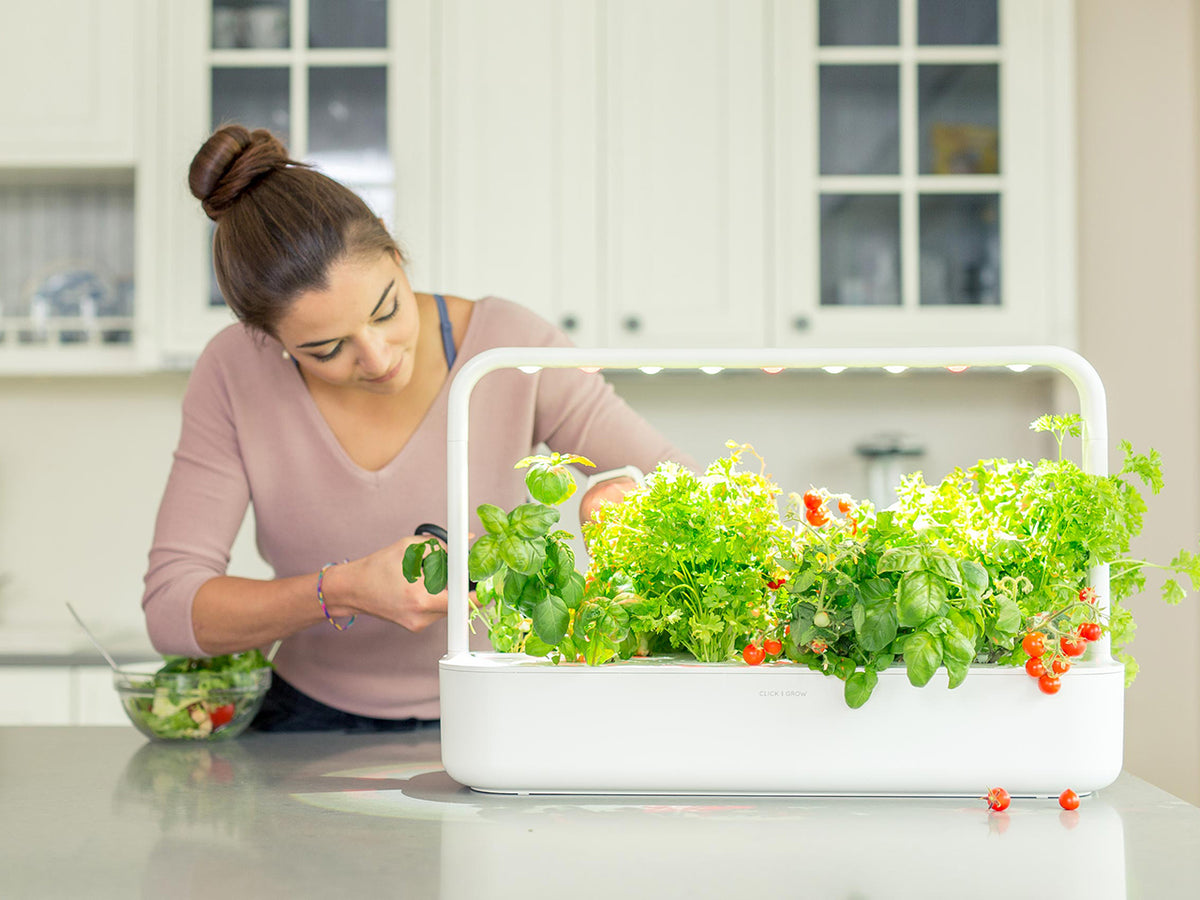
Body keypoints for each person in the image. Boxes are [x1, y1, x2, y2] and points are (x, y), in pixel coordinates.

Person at [142, 125, 693, 732]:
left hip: (502, 707)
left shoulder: (511, 347)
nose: (378, 359)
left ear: (399, 260)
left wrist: (623, 504)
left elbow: (689, 491)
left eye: (388, 310)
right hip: (305, 723)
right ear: (268, 340)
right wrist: (343, 589)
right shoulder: (232, 371)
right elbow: (172, 610)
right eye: (325, 349)